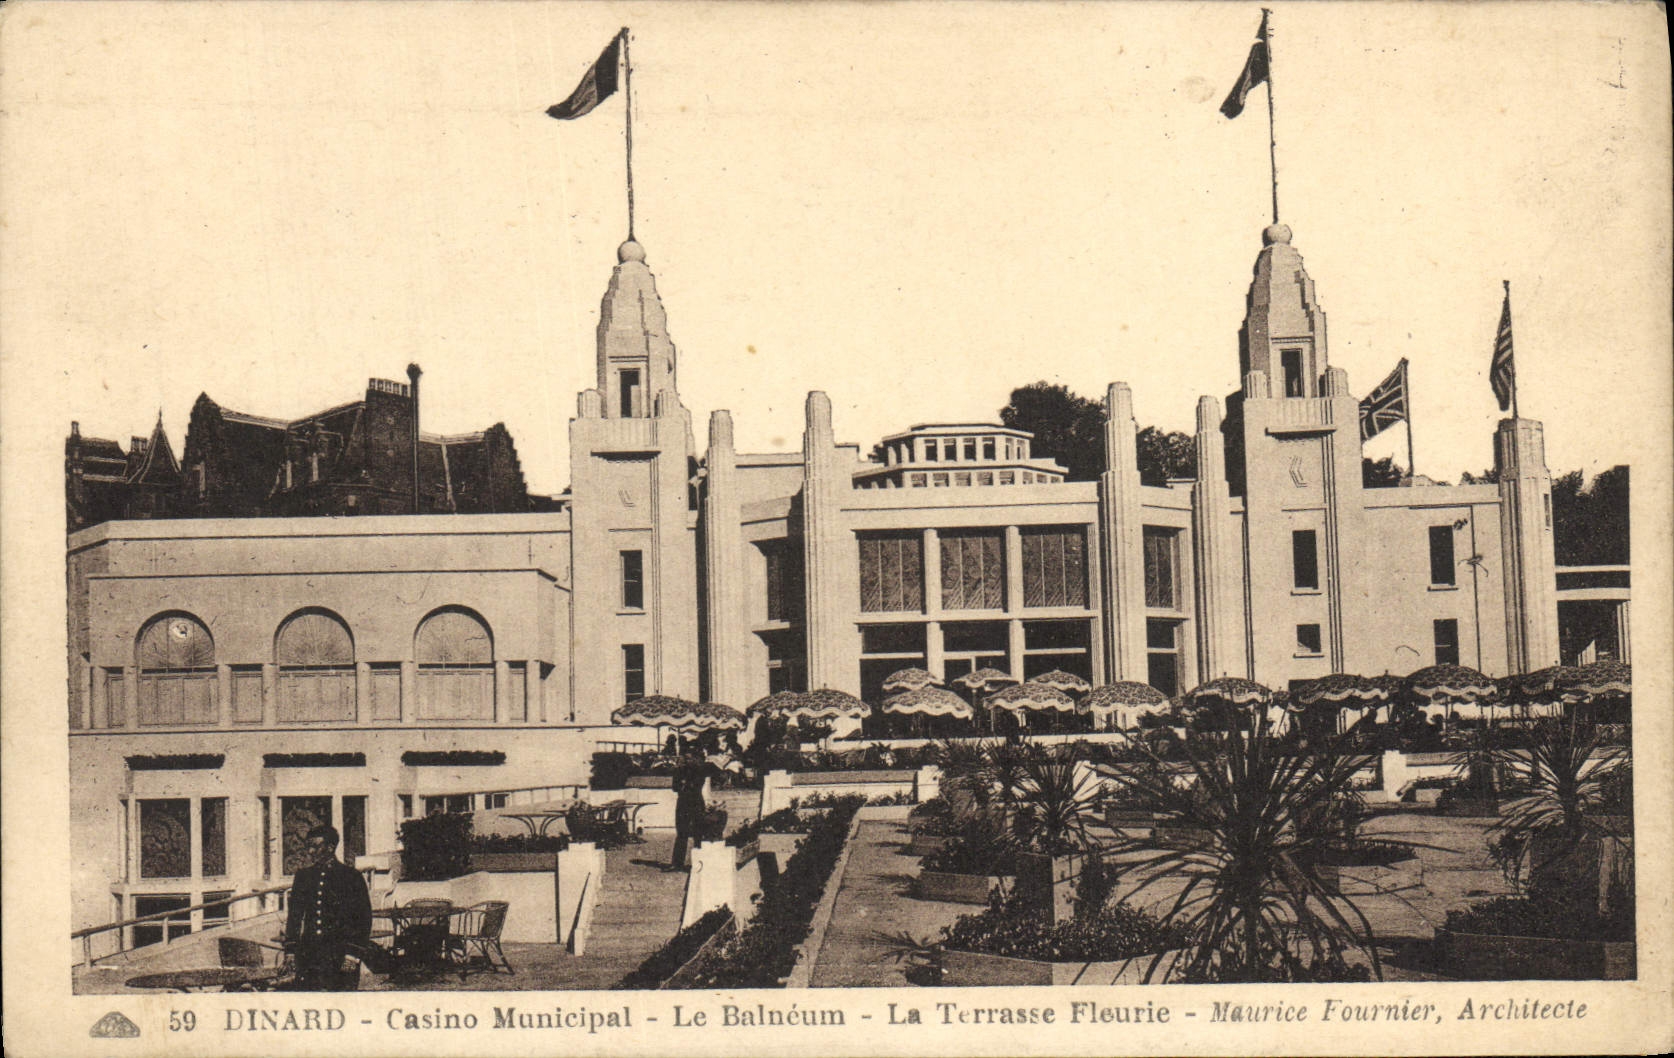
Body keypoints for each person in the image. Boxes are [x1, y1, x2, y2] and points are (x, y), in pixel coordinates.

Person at [284, 824, 373, 990]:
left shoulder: (351, 877)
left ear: (331, 847)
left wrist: (352, 955)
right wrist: (290, 951)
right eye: (308, 846)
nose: (310, 851)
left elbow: (363, 919)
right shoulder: (303, 877)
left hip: (340, 957)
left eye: (315, 846)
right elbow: (294, 917)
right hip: (309, 957)